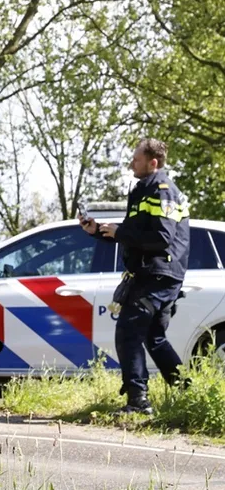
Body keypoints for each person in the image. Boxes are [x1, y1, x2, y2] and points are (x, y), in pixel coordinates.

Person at [79, 138, 190, 415]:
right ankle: (187, 391)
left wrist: (121, 232)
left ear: (152, 163)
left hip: (158, 276)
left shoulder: (162, 191)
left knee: (128, 332)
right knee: (154, 338)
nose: (131, 163)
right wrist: (99, 231)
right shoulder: (145, 190)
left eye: (136, 159)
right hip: (152, 273)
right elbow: (133, 236)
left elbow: (162, 239)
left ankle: (138, 401)